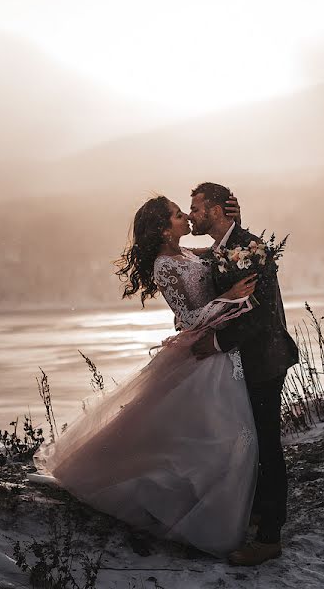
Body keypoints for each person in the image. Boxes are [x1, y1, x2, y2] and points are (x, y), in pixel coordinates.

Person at [35, 195, 260, 557]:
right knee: (216, 438)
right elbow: (188, 320)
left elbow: (222, 250)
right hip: (201, 354)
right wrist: (230, 298)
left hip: (220, 351)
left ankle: (234, 509)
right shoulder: (164, 267)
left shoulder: (190, 255)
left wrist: (233, 219)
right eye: (176, 214)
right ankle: (195, 513)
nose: (185, 216)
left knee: (222, 437)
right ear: (162, 227)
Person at [189, 182, 299, 566]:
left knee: (267, 445)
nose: (191, 215)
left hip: (264, 361)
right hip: (244, 362)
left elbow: (261, 311)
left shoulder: (248, 248)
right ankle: (256, 512)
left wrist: (216, 343)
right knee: (250, 442)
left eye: (197, 208)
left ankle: (270, 536)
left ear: (218, 210)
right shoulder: (224, 249)